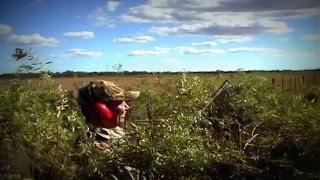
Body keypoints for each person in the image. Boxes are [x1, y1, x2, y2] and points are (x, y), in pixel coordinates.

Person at [77, 80, 140, 149]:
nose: (127, 107)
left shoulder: (112, 129)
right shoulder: (94, 146)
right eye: (121, 102)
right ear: (102, 109)